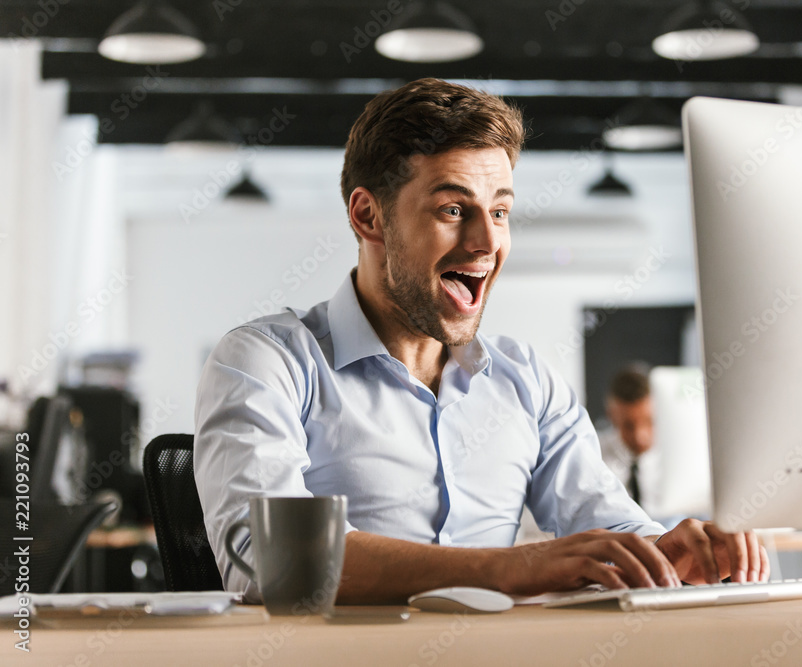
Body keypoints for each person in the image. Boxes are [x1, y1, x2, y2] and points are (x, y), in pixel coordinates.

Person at [193, 78, 768, 605]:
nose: (487, 242)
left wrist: (672, 552)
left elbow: (606, 524)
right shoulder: (267, 361)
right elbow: (272, 563)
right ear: (368, 216)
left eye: (500, 211)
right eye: (452, 209)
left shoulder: (527, 380)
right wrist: (511, 568)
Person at [598, 365, 656, 508]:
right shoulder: (593, 457)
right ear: (611, 415)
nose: (639, 437)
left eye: (649, 421)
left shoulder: (681, 454)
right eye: (628, 425)